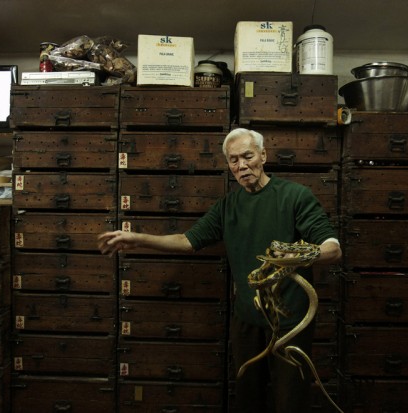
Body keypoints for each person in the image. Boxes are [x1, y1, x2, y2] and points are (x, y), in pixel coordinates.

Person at [98, 127, 341, 413]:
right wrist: (138, 239)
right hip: (247, 320)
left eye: (248, 156)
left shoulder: (294, 196)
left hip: (291, 323)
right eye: (234, 160)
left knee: (290, 399)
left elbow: (333, 248)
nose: (242, 165)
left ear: (263, 156)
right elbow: (188, 241)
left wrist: (298, 256)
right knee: (248, 396)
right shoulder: (228, 207)